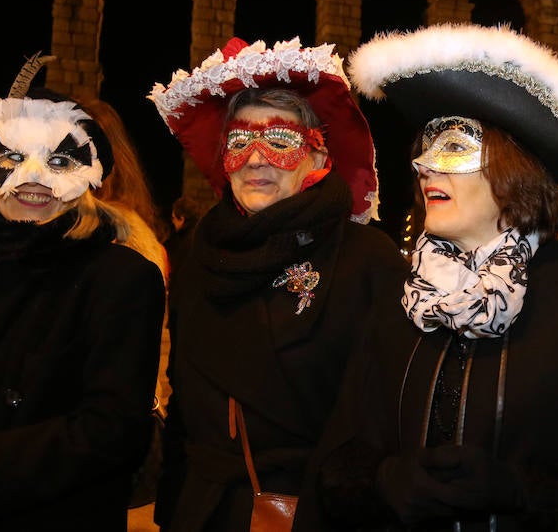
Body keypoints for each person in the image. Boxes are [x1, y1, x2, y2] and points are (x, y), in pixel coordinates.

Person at [294, 23, 558, 531]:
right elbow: (342, 452)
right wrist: (381, 480)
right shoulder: (400, 298)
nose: (424, 166)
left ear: (515, 169)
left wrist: (524, 493)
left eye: (451, 148)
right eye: (423, 150)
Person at [147, 36, 409, 531]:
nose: (256, 158)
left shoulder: (368, 261)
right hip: (203, 513)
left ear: (317, 156)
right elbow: (184, 405)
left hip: (311, 513)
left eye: (282, 141)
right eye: (240, 142)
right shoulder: (203, 251)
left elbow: (381, 422)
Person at [0, 58, 166, 531]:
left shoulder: (120, 278)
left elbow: (110, 429)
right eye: (12, 158)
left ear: (89, 177)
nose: (33, 179)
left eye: (59, 161)